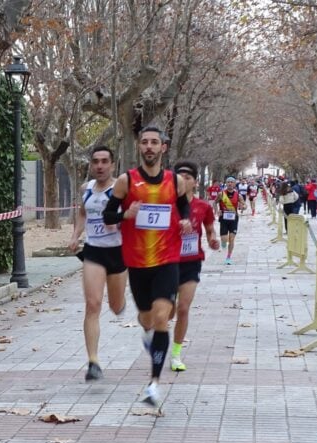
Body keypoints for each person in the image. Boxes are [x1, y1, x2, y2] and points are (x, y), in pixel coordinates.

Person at [102, 126, 191, 406]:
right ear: (140, 147)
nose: (150, 147)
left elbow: (184, 208)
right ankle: (149, 335)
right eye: (145, 143)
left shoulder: (175, 181)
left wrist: (186, 221)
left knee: (163, 317)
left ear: (163, 147)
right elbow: (108, 216)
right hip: (137, 262)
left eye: (154, 142)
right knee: (147, 319)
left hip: (167, 260)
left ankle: (154, 383)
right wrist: (125, 214)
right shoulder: (125, 181)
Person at [67, 146, 127, 381]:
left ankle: (119, 304)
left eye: (104, 162)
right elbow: (83, 213)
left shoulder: (121, 190)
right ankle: (93, 361)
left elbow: (133, 215)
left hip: (117, 251)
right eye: (95, 162)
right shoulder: (86, 189)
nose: (100, 166)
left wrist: (120, 223)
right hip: (93, 251)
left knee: (114, 305)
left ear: (112, 165)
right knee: (92, 305)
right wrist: (75, 235)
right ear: (91, 165)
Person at [170, 161, 219, 372]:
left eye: (187, 178)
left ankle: (176, 354)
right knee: (167, 311)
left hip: (191, 262)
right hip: (167, 262)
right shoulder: (167, 205)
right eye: (179, 178)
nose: (183, 182)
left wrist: (213, 240)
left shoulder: (203, 207)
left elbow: (209, 230)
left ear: (195, 182)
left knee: (183, 308)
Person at [216, 177, 241, 265]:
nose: (230, 183)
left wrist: (243, 207)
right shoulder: (221, 194)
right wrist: (217, 211)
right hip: (223, 218)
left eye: (232, 182)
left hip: (234, 219)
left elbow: (244, 205)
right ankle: (223, 242)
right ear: (226, 183)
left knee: (231, 238)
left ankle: (228, 257)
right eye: (228, 182)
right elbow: (215, 203)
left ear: (234, 184)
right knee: (224, 239)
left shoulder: (238, 195)